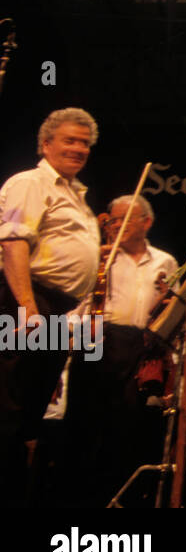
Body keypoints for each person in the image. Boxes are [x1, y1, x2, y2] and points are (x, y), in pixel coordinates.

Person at [0, 108, 101, 505]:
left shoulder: (76, 195)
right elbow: (12, 241)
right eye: (70, 140)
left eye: (85, 144)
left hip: (58, 309)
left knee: (32, 407)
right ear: (46, 145)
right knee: (8, 401)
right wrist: (26, 304)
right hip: (25, 299)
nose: (78, 149)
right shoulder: (29, 182)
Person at [66, 194, 177, 505]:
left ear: (147, 222)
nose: (115, 226)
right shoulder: (99, 258)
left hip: (139, 345)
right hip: (99, 340)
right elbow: (77, 306)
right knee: (86, 424)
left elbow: (171, 311)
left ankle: (120, 497)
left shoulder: (164, 262)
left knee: (127, 427)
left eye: (123, 219)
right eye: (112, 220)